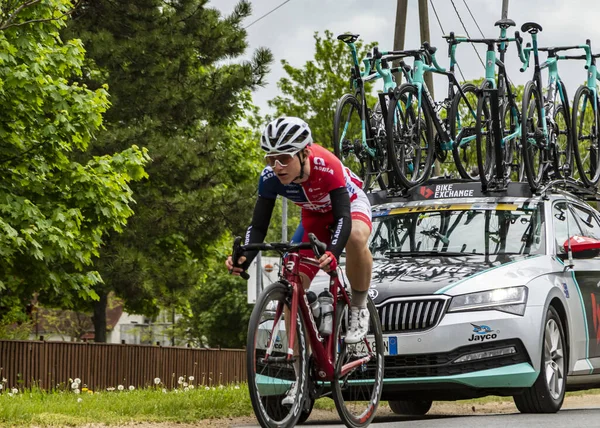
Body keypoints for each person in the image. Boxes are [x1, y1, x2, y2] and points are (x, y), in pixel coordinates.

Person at [225, 116, 374, 403]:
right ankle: (301, 376)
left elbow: (342, 217)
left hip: (349, 207)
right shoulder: (270, 179)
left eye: (283, 158)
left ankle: (358, 307)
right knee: (292, 280)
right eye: (271, 159)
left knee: (355, 237)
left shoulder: (325, 164)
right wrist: (245, 256)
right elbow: (258, 227)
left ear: (304, 153)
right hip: (313, 217)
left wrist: (332, 251)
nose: (276, 167)